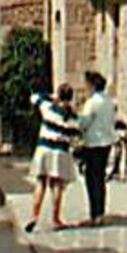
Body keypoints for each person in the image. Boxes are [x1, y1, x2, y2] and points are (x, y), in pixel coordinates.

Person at [26, 84, 80, 233]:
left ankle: (34, 216)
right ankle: (55, 218)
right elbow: (75, 135)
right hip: (60, 151)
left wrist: (51, 96)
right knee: (57, 184)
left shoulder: (48, 108)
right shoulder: (72, 118)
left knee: (41, 182)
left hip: (44, 148)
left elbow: (35, 96)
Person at [75, 70, 117, 227]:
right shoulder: (109, 101)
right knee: (100, 178)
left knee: (91, 179)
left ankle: (94, 214)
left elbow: (83, 123)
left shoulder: (92, 102)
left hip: (93, 143)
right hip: (106, 141)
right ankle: (100, 212)